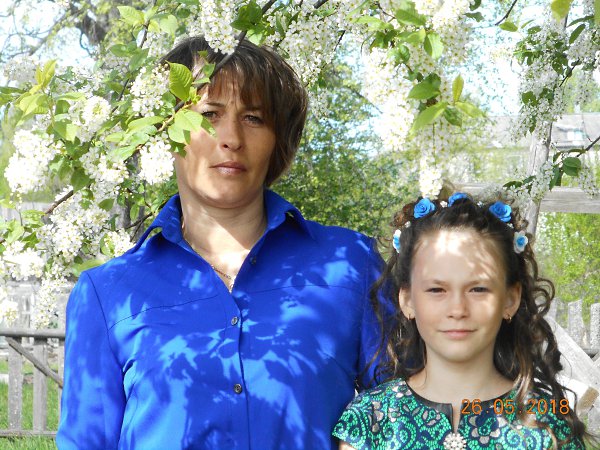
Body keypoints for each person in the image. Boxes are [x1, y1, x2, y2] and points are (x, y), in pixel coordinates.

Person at [57, 36, 383, 450]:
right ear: (165, 131)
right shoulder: (106, 294)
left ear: (277, 139)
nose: (231, 138)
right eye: (209, 114)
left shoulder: (351, 264)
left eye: (254, 118)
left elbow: (411, 409)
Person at [333, 191, 589, 449]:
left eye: (478, 289)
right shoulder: (370, 422)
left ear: (510, 299)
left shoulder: (548, 427)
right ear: (407, 300)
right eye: (436, 289)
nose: (457, 309)